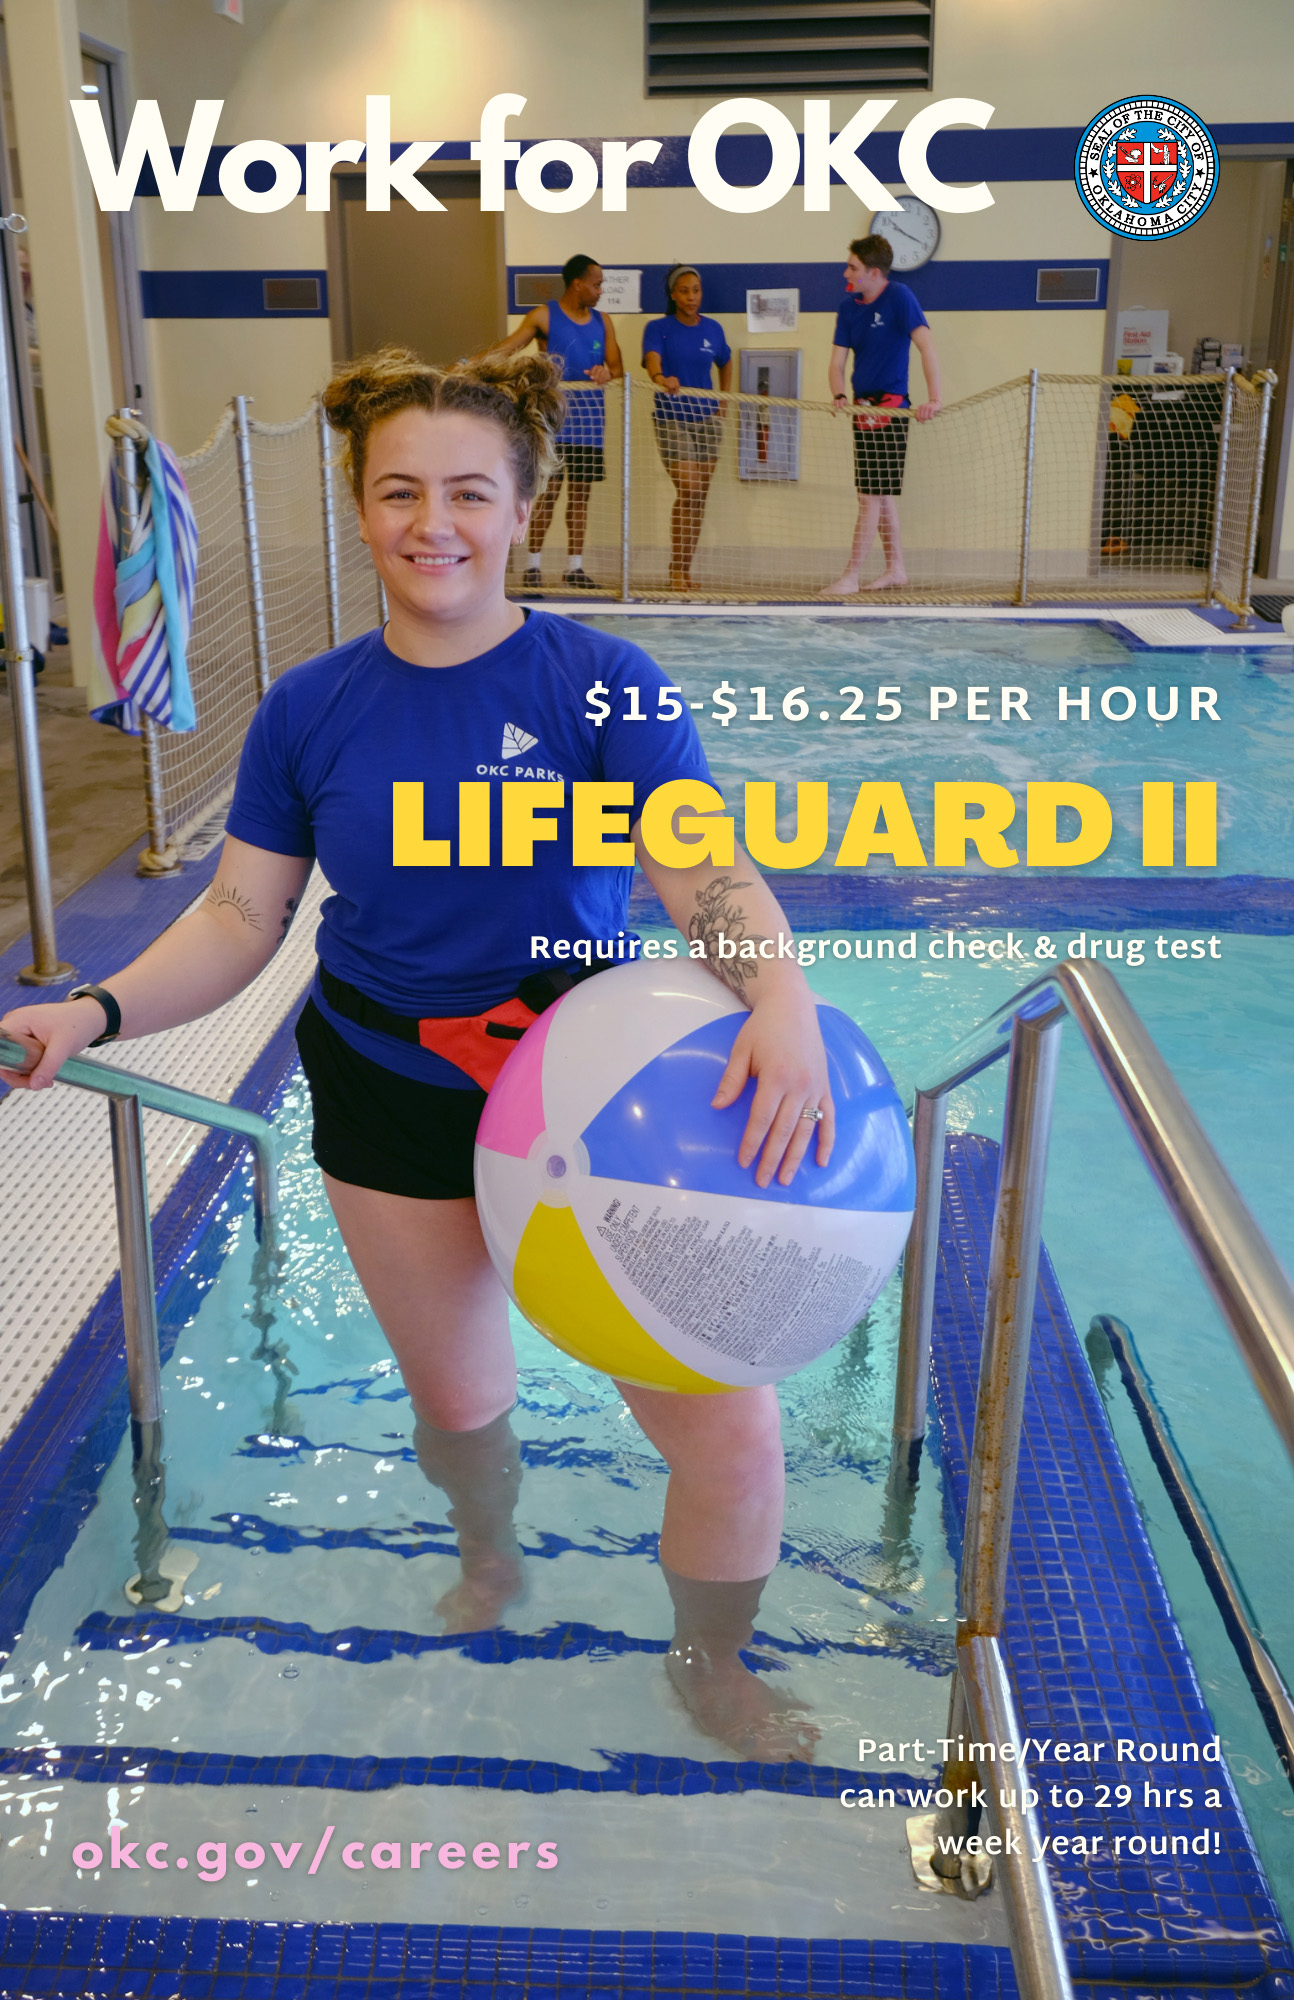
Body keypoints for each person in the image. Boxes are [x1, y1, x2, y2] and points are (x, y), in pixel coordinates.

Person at [0, 346, 834, 1761]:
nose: (430, 521)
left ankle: (711, 1661)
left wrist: (780, 1000)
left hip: (583, 1094)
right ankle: (492, 1555)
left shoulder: (602, 681)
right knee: (459, 1404)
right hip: (390, 1094)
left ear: (522, 508)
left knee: (730, 1427)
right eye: (398, 491)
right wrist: (96, 1008)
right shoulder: (310, 708)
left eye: (466, 492)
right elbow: (239, 913)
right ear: (359, 505)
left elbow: (706, 877)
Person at [479, 254, 621, 592]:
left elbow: (617, 366)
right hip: (553, 423)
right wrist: (473, 365)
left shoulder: (604, 322)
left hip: (590, 425)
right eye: (597, 284)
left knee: (580, 497)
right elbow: (510, 347)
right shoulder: (544, 316)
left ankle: (575, 567)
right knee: (548, 494)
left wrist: (606, 372)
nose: (600, 290)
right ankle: (533, 566)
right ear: (578, 284)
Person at [822, 234, 942, 595]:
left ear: (874, 273)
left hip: (892, 410)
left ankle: (851, 576)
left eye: (853, 267)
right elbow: (837, 362)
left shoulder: (901, 298)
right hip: (862, 410)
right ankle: (896, 569)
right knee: (880, 493)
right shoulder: (848, 308)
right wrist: (839, 393)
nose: (846, 272)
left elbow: (926, 347)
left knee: (869, 496)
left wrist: (934, 398)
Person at [642, 265, 732, 592]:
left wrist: (724, 400)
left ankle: (684, 569)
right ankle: (675, 568)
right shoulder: (658, 328)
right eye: (684, 290)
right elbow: (652, 360)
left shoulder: (714, 329)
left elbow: (726, 360)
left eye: (695, 290)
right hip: (672, 419)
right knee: (689, 489)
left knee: (699, 497)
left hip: (708, 421)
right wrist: (660, 378)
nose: (691, 296)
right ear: (672, 294)